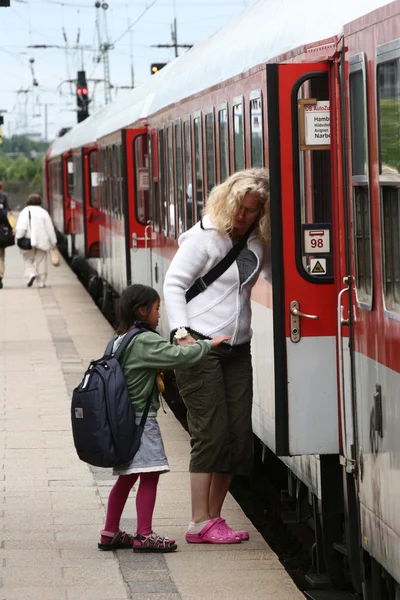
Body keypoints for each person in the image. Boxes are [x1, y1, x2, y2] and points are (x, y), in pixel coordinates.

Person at [163, 168, 271, 545]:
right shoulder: (205, 238)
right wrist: (181, 333)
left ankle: (214, 518)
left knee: (238, 436)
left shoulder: (257, 243)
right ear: (228, 202)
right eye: (240, 208)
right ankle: (198, 521)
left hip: (237, 349)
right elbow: (174, 284)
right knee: (210, 432)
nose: (244, 216)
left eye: (253, 210)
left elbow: (277, 273)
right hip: (200, 347)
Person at [98, 283, 230, 553]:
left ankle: (110, 531)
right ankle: (144, 534)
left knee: (126, 477)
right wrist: (208, 344)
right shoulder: (145, 339)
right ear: (141, 310)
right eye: (157, 309)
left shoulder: (121, 338)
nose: (160, 315)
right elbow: (178, 356)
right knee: (150, 474)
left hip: (122, 420)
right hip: (141, 421)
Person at [15, 193, 57, 288]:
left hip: (27, 241)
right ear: (39, 202)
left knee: (27, 259)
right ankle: (41, 282)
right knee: (41, 261)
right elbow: (50, 229)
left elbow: (21, 228)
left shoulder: (24, 212)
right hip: (42, 241)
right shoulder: (44, 212)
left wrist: (18, 237)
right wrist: (53, 242)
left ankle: (31, 274)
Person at [0, 182, 14, 289]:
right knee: (1, 256)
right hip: (1, 232)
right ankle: (0, 275)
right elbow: (5, 216)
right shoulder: (4, 196)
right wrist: (10, 228)